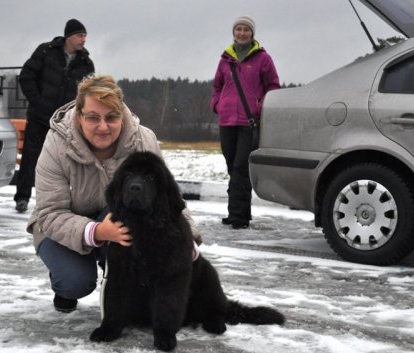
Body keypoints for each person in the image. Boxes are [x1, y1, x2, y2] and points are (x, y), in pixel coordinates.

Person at [26, 75, 201, 313]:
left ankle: (123, 287)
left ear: (122, 115)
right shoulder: (57, 144)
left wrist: (187, 237)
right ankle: (66, 286)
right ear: (79, 116)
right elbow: (49, 212)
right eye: (93, 118)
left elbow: (168, 197)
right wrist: (97, 232)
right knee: (74, 282)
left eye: (111, 117)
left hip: (117, 218)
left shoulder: (143, 140)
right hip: (59, 226)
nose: (103, 127)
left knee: (130, 225)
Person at [15, 18, 95, 213]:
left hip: (65, 123)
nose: (83, 39)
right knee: (30, 158)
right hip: (39, 117)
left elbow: (89, 92)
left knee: (66, 162)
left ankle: (65, 201)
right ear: (69, 36)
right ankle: (22, 198)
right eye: (80, 35)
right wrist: (38, 101)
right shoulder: (46, 51)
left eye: (85, 36)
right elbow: (26, 76)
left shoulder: (86, 63)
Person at [210, 16, 280, 229]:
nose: (242, 33)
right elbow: (217, 87)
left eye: (246, 30)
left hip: (249, 122)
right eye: (238, 29)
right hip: (227, 120)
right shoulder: (225, 59)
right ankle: (239, 212)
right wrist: (217, 105)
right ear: (234, 32)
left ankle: (238, 217)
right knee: (232, 167)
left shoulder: (263, 59)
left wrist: (260, 109)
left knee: (241, 167)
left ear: (252, 33)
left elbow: (273, 87)